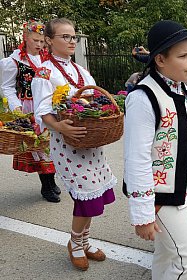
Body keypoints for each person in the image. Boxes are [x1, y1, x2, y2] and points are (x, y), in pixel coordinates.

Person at [32, 18, 117, 271]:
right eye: (65, 37)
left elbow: (93, 100)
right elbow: (42, 111)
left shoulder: (81, 71)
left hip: (89, 141)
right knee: (85, 196)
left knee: (96, 193)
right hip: (67, 143)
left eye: (73, 37)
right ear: (49, 40)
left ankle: (85, 241)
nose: (71, 41)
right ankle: (75, 243)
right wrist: (59, 126)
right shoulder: (44, 73)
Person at [124, 20, 187, 279]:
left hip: (180, 187)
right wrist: (142, 213)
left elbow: (185, 137)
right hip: (161, 196)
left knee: (167, 255)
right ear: (159, 59)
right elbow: (137, 158)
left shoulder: (180, 90)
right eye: (182, 56)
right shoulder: (143, 98)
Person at [1, 19, 60, 203]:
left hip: (46, 104)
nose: (40, 45)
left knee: (51, 144)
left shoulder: (46, 58)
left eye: (42, 41)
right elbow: (8, 87)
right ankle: (47, 185)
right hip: (28, 107)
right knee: (38, 146)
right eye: (36, 41)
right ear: (26, 37)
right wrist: (16, 107)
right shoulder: (13, 61)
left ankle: (50, 180)